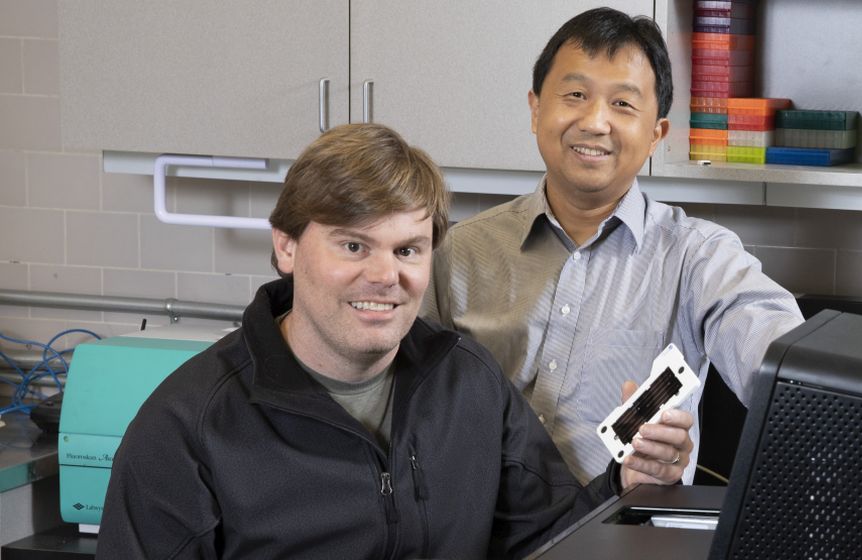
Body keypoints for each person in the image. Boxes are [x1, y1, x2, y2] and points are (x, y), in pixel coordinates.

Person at [96, 123, 692, 560]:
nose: (386, 276)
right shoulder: (186, 429)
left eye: (408, 249)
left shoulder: (467, 383)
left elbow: (546, 540)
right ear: (286, 247)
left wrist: (625, 487)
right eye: (353, 246)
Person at [423, 7, 804, 484]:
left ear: (656, 136)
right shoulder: (458, 252)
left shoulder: (698, 258)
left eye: (623, 104)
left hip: (626, 536)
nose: (595, 121)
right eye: (576, 95)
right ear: (536, 109)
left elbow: (777, 351)